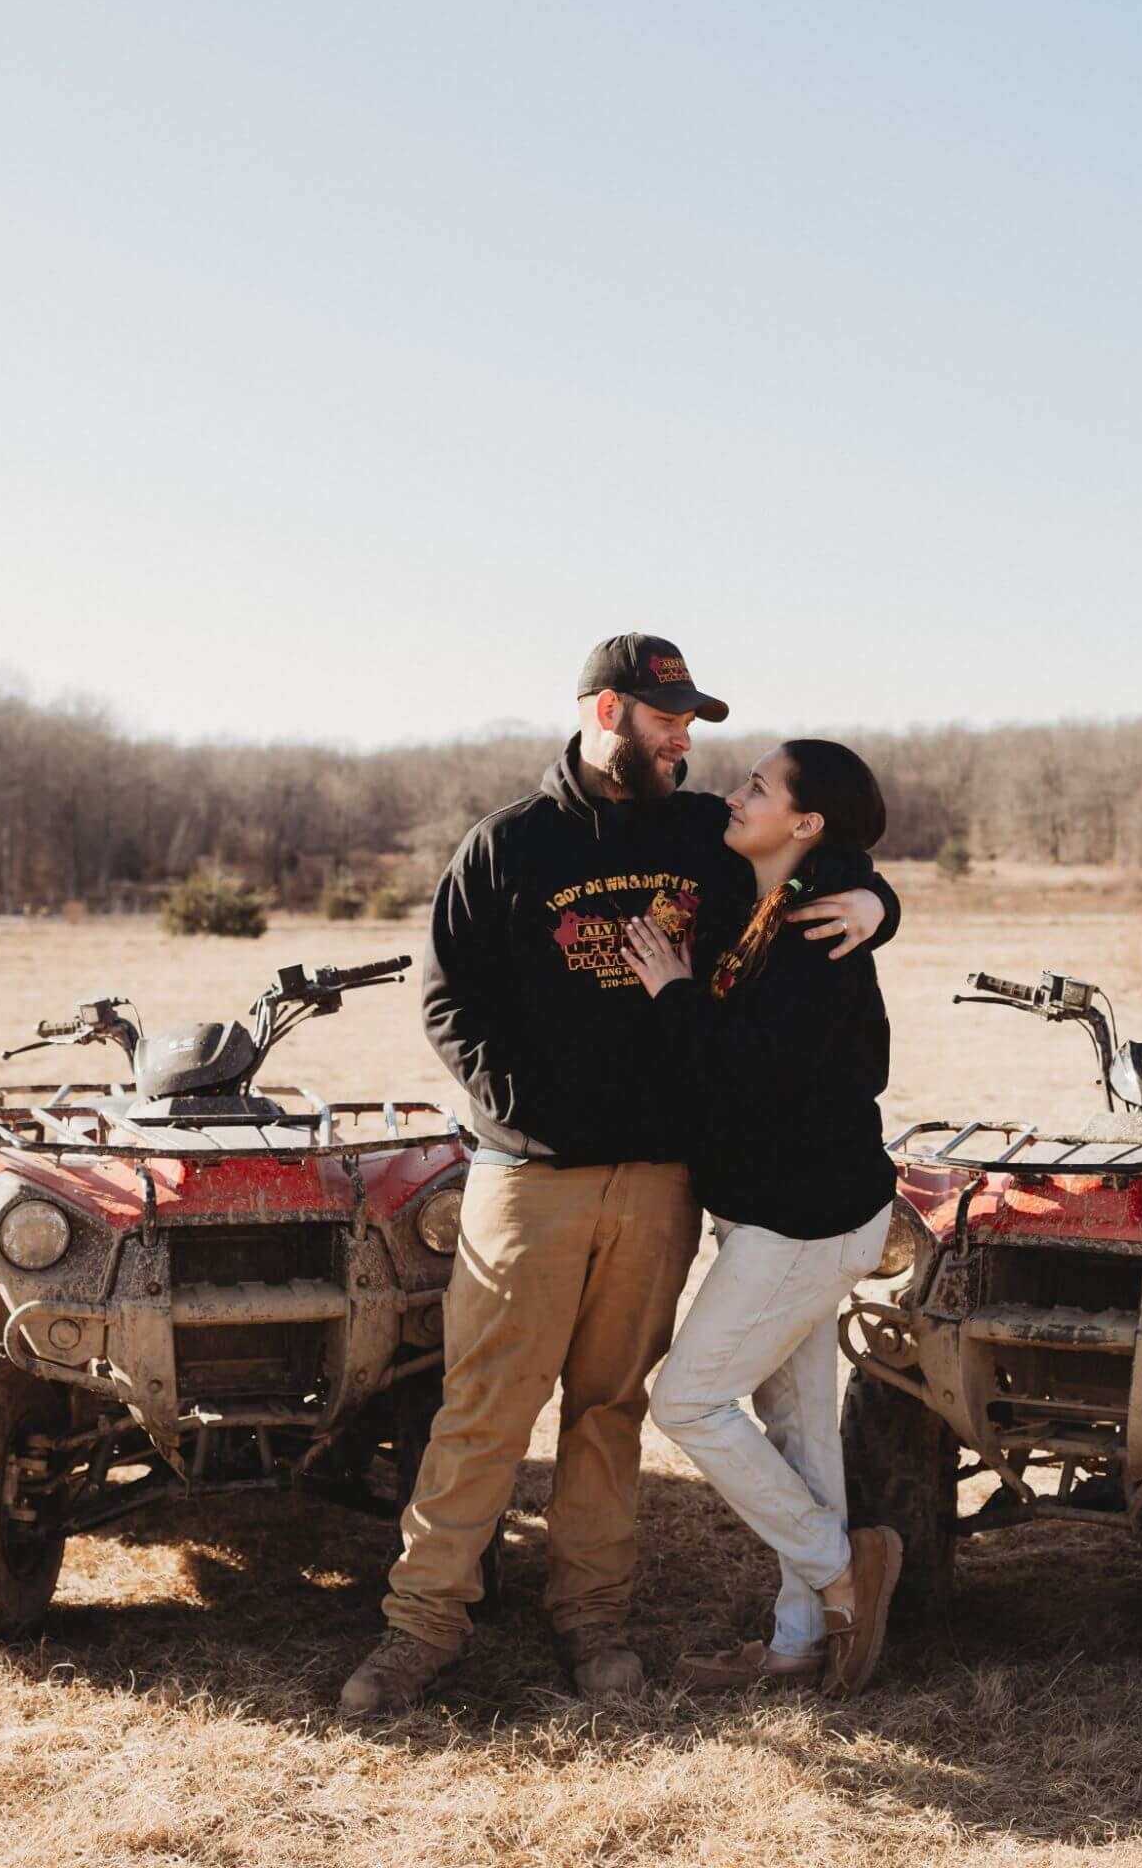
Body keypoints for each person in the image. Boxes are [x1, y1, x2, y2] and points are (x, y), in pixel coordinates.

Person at [339, 636, 899, 1716]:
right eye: (667, 718)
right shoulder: (508, 844)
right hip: (531, 1175)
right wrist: (533, 1117)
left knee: (611, 1408)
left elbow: (824, 864)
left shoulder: (704, 833)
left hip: (660, 1183)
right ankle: (420, 1628)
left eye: (692, 719)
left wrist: (880, 903)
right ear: (608, 713)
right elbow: (449, 1005)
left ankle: (594, 1621)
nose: (688, 737)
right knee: (484, 1409)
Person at [622, 739, 902, 1698]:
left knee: (688, 1401)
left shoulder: (817, 934)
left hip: (806, 1220)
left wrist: (670, 992)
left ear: (806, 823)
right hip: (774, 1216)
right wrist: (882, 897)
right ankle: (800, 1643)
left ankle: (838, 1568)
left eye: (757, 787)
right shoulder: (771, 895)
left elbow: (752, 1072)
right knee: (800, 1431)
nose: (733, 795)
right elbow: (866, 874)